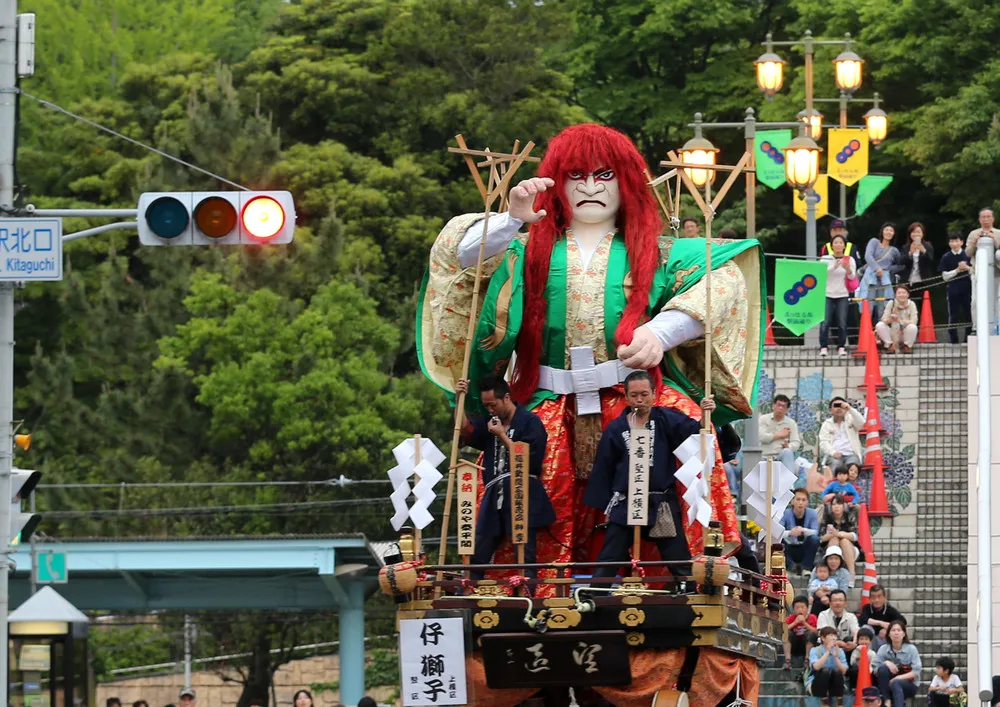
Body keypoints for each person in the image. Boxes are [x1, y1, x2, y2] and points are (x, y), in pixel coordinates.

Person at [419, 123, 762, 574]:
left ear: (626, 181)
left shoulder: (659, 252)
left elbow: (726, 279)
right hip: (545, 400)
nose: (589, 188)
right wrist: (511, 218)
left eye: (604, 175)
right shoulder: (522, 247)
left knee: (684, 443)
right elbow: (458, 255)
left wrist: (661, 333)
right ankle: (529, 586)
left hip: (632, 397)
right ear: (556, 184)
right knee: (524, 488)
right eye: (576, 175)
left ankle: (693, 570)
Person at [584, 371, 697, 584]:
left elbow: (695, 431)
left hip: (660, 501)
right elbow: (604, 467)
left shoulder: (665, 419)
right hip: (627, 502)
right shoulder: (616, 429)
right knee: (609, 557)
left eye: (644, 394)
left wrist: (710, 415)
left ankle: (689, 596)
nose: (639, 400)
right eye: (634, 395)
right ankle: (593, 596)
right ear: (626, 396)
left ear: (654, 394)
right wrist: (605, 505)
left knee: (678, 558)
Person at [454, 376, 554, 581]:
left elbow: (529, 459)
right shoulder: (490, 423)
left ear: (506, 398)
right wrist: (459, 399)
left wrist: (502, 435)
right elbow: (465, 429)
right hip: (494, 494)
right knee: (478, 550)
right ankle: (467, 594)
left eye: (493, 404)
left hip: (521, 491)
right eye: (486, 406)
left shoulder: (530, 422)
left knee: (525, 553)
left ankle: (526, 595)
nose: (490, 410)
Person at [820, 234, 858, 357]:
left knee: (842, 321)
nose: (838, 245)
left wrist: (848, 269)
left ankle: (841, 346)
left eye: (841, 243)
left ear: (844, 245)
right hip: (827, 294)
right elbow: (821, 274)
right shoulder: (825, 258)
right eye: (835, 242)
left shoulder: (850, 259)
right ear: (832, 245)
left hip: (842, 294)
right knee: (825, 321)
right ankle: (823, 347)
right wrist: (834, 266)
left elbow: (853, 278)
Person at [964, 207, 1000, 329]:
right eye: (983, 217)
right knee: (975, 301)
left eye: (988, 217)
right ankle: (976, 327)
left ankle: (995, 327)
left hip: (996, 272)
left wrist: (995, 240)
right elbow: (968, 253)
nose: (986, 219)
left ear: (993, 219)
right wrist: (975, 241)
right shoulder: (973, 233)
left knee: (995, 301)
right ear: (979, 219)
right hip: (977, 272)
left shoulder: (998, 233)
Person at [861, 223, 903, 322]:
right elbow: (868, 256)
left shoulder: (894, 250)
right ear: (882, 231)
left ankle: (880, 333)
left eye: (891, 230)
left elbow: (901, 265)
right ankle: (866, 333)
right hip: (871, 278)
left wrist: (888, 270)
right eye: (886, 229)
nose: (889, 232)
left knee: (883, 308)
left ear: (894, 234)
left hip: (884, 281)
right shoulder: (874, 242)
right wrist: (877, 268)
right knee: (868, 306)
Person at [874, 621, 922, 707]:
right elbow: (874, 668)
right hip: (887, 685)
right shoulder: (883, 648)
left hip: (909, 685)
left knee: (896, 683)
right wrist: (886, 662)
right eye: (893, 630)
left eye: (899, 630)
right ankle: (887, 700)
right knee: (883, 668)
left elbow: (916, 671)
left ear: (904, 634)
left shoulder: (911, 649)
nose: (896, 633)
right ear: (888, 634)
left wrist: (898, 678)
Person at [940, 231, 973, 344]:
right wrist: (957, 270)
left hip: (967, 289)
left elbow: (975, 272)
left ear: (962, 242)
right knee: (953, 315)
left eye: (956, 241)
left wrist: (967, 268)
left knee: (969, 314)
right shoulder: (946, 257)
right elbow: (944, 276)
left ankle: (968, 338)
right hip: (952, 289)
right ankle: (953, 339)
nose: (954, 243)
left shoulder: (968, 255)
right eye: (952, 241)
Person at [760, 394, 801, 478]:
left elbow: (796, 443)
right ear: (773, 406)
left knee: (787, 452)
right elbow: (762, 437)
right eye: (778, 405)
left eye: (783, 406)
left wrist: (788, 446)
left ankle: (789, 486)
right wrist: (779, 435)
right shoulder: (763, 419)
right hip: (764, 455)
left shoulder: (791, 423)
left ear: (786, 410)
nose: (780, 408)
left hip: (780, 455)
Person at [818, 496, 860, 578]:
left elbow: (855, 536)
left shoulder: (849, 516)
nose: (836, 506)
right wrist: (832, 535)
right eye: (834, 504)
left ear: (844, 506)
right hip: (830, 548)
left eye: (839, 504)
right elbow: (821, 538)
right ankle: (833, 573)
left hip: (850, 550)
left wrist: (839, 534)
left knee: (844, 540)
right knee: (834, 539)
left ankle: (851, 573)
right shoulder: (827, 518)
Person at [806, 626, 849, 706]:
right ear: (823, 638)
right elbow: (816, 667)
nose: (833, 638)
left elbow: (844, 672)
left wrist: (836, 657)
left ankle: (839, 701)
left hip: (835, 686)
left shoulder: (840, 651)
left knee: (837, 671)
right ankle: (824, 701)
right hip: (817, 684)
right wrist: (828, 652)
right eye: (830, 635)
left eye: (834, 635)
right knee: (824, 671)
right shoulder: (815, 650)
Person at [819, 397, 864, 471]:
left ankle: (849, 483)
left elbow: (861, 422)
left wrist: (850, 409)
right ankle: (834, 482)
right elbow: (823, 442)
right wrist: (833, 453)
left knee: (852, 468)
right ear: (830, 410)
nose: (839, 408)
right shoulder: (827, 424)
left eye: (841, 406)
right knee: (835, 465)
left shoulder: (851, 420)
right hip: (834, 455)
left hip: (851, 454)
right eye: (836, 406)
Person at [782, 488, 820, 573]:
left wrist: (803, 530)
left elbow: (816, 531)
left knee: (814, 539)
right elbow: (778, 532)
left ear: (807, 502)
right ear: (792, 501)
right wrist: (790, 533)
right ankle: (791, 566)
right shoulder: (785, 513)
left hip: (804, 547)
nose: (800, 503)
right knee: (777, 541)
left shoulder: (812, 513)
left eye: (803, 500)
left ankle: (805, 567)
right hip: (789, 546)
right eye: (798, 499)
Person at [875, 284, 919, 354]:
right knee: (879, 325)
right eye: (899, 293)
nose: (901, 295)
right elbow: (883, 319)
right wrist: (890, 319)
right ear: (895, 295)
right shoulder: (891, 303)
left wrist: (900, 321)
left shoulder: (911, 304)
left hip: (904, 333)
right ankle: (890, 345)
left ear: (908, 295)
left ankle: (907, 346)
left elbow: (914, 321)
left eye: (904, 293)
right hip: (892, 332)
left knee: (913, 327)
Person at [859, 584, 906, 649]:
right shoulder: (866, 608)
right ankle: (868, 655)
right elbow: (862, 619)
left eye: (879, 596)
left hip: (883, 640)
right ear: (869, 599)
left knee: (892, 632)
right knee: (866, 628)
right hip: (870, 640)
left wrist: (888, 629)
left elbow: (902, 621)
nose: (876, 600)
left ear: (884, 598)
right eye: (873, 597)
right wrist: (880, 623)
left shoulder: (890, 610)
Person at [817, 588, 859, 656]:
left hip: (845, 647)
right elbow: (823, 633)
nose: (838, 603)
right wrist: (837, 643)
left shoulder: (851, 616)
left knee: (851, 640)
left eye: (840, 600)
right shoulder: (823, 615)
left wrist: (854, 643)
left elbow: (855, 630)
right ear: (830, 603)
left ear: (845, 603)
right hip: (827, 646)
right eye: (835, 600)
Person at [898, 222, 936, 294]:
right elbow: (901, 261)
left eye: (918, 232)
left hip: (924, 281)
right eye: (913, 232)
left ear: (923, 233)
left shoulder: (928, 246)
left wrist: (923, 251)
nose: (916, 234)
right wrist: (910, 252)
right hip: (909, 281)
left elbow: (930, 262)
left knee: (925, 303)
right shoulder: (905, 247)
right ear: (910, 234)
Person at [784, 595, 818, 671]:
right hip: (794, 645)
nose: (800, 610)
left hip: (807, 644)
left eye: (802, 607)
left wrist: (804, 623)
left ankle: (807, 660)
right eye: (797, 607)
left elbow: (816, 632)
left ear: (807, 608)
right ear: (793, 609)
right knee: (786, 633)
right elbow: (783, 630)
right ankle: (788, 661)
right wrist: (795, 622)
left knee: (811, 634)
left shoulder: (812, 617)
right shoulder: (791, 618)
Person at [848, 627, 878, 691]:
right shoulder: (856, 651)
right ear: (858, 641)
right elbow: (851, 663)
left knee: (875, 673)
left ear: (870, 641)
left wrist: (868, 671)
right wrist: (857, 658)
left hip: (868, 671)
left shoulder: (872, 653)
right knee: (852, 670)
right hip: (858, 671)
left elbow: (873, 664)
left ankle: (873, 688)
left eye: (866, 639)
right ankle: (854, 687)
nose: (864, 641)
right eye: (861, 639)